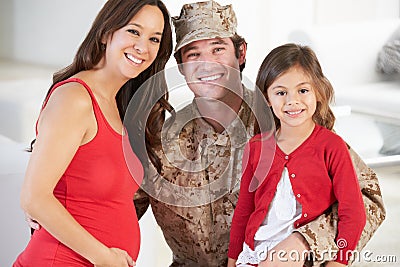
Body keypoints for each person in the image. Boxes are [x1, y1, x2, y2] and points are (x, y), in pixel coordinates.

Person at [133, 1, 385, 267]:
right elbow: (115, 207)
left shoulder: (285, 118)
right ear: (181, 66)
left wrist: (304, 241)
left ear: (240, 54)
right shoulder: (160, 140)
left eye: (218, 49)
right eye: (193, 54)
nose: (206, 65)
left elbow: (368, 199)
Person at [14, 0, 172, 266]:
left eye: (154, 38)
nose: (143, 47)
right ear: (105, 33)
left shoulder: (119, 106)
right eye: (134, 31)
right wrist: (104, 257)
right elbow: (34, 198)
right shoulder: (75, 97)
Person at [228, 43, 367, 267]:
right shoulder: (256, 148)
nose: (292, 101)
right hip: (255, 253)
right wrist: (232, 261)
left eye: (303, 91)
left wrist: (339, 262)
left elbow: (353, 213)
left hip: (305, 257)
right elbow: (244, 210)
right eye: (281, 92)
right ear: (267, 99)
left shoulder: (332, 147)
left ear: (318, 93)